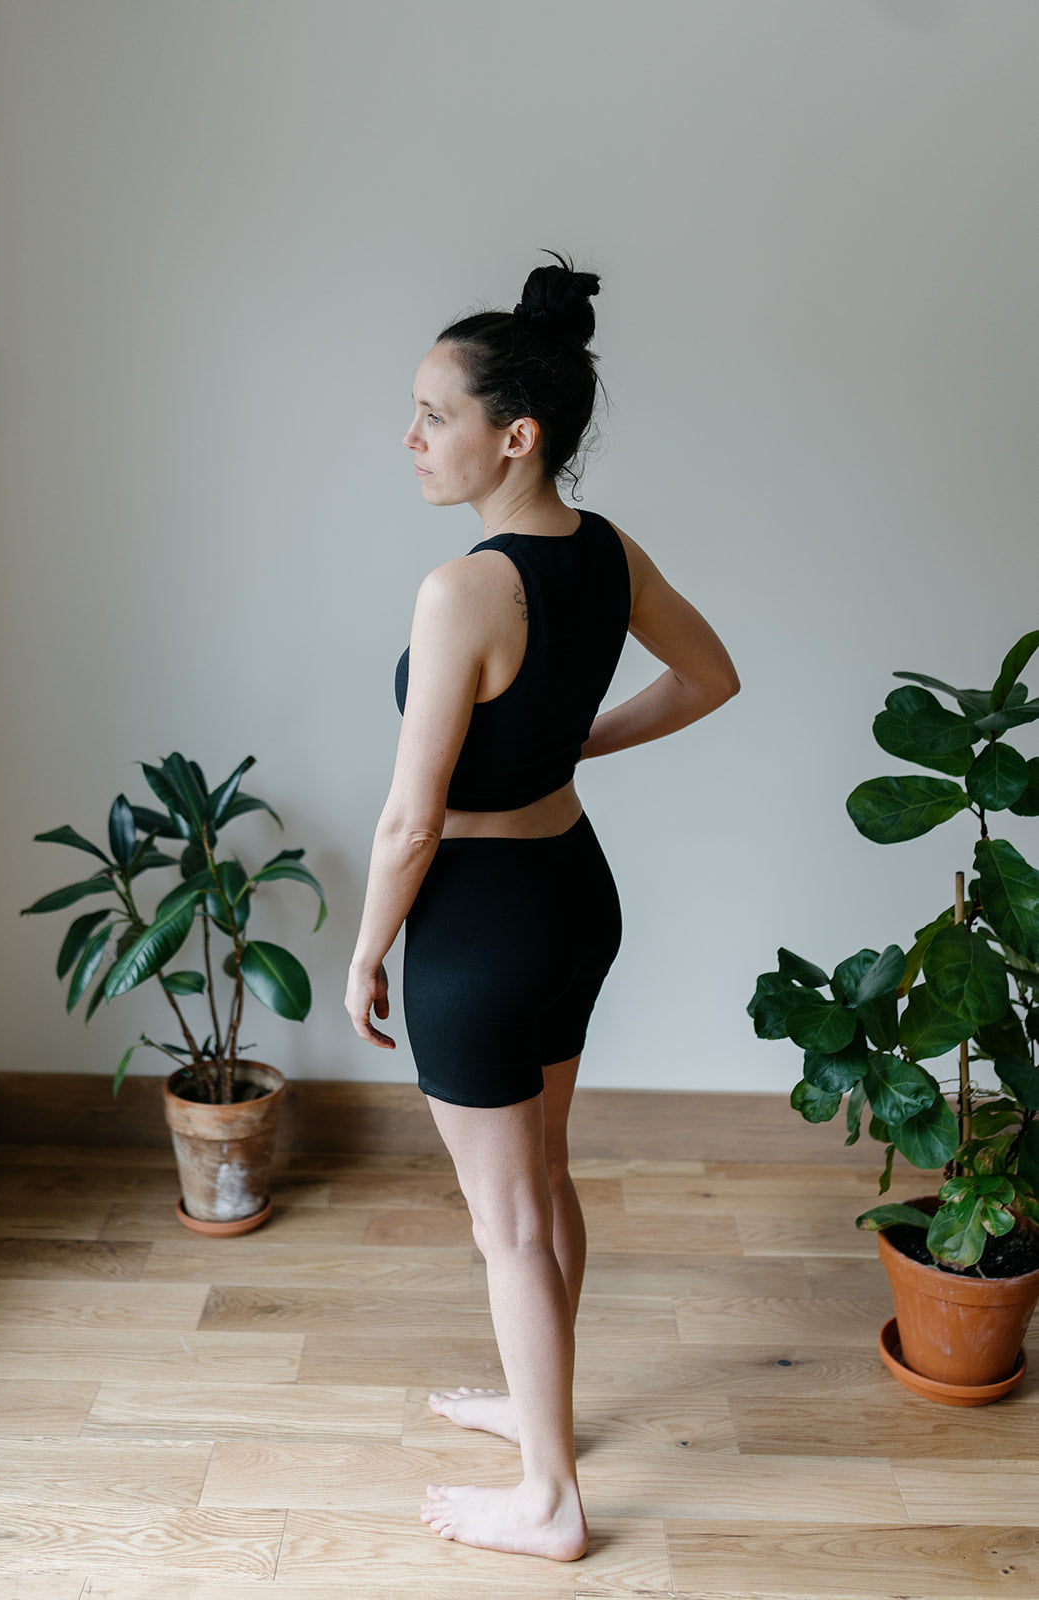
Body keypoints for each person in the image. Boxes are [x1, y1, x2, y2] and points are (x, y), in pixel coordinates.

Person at [345, 253, 739, 1561]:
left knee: (505, 1220)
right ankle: (536, 1406)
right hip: (573, 893)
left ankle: (552, 1501)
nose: (409, 438)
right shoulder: (609, 557)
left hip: (479, 928)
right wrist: (570, 749)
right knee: (543, 1185)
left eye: (431, 415)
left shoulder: (464, 590)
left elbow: (411, 818)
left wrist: (364, 954)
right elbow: (709, 679)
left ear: (516, 435)